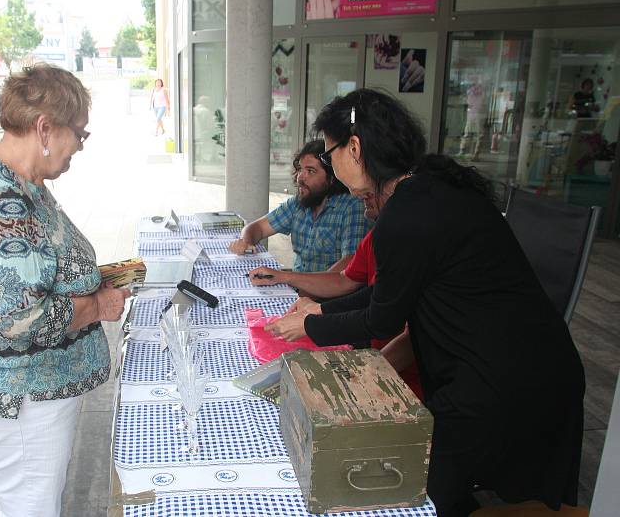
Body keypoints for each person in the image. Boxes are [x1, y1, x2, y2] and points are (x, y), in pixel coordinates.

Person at [265, 89, 585, 516]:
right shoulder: (428, 189)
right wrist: (320, 310)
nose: (331, 167)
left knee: (410, 483)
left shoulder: (407, 214)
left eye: (330, 154)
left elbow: (381, 318)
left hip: (506, 381)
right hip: (532, 363)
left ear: (355, 148)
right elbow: (387, 292)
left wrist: (312, 326)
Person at [0, 62, 130, 516]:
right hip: (18, 397)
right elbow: (23, 318)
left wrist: (89, 277)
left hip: (23, 393)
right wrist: (99, 303)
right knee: (30, 507)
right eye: (79, 134)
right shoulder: (1, 200)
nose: (79, 148)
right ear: (46, 127)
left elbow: (36, 268)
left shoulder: (19, 180)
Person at [248, 192, 422, 399]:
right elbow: (353, 285)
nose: (362, 195)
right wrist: (314, 307)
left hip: (406, 384)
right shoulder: (376, 237)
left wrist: (356, 378)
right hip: (373, 358)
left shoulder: (416, 248)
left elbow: (406, 336)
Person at [228, 140, 366, 273]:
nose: (300, 177)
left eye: (311, 171)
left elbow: (351, 264)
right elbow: (257, 228)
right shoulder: (298, 204)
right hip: (296, 288)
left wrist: (295, 283)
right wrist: (245, 242)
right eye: (300, 169)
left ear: (332, 177)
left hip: (329, 295)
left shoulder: (352, 208)